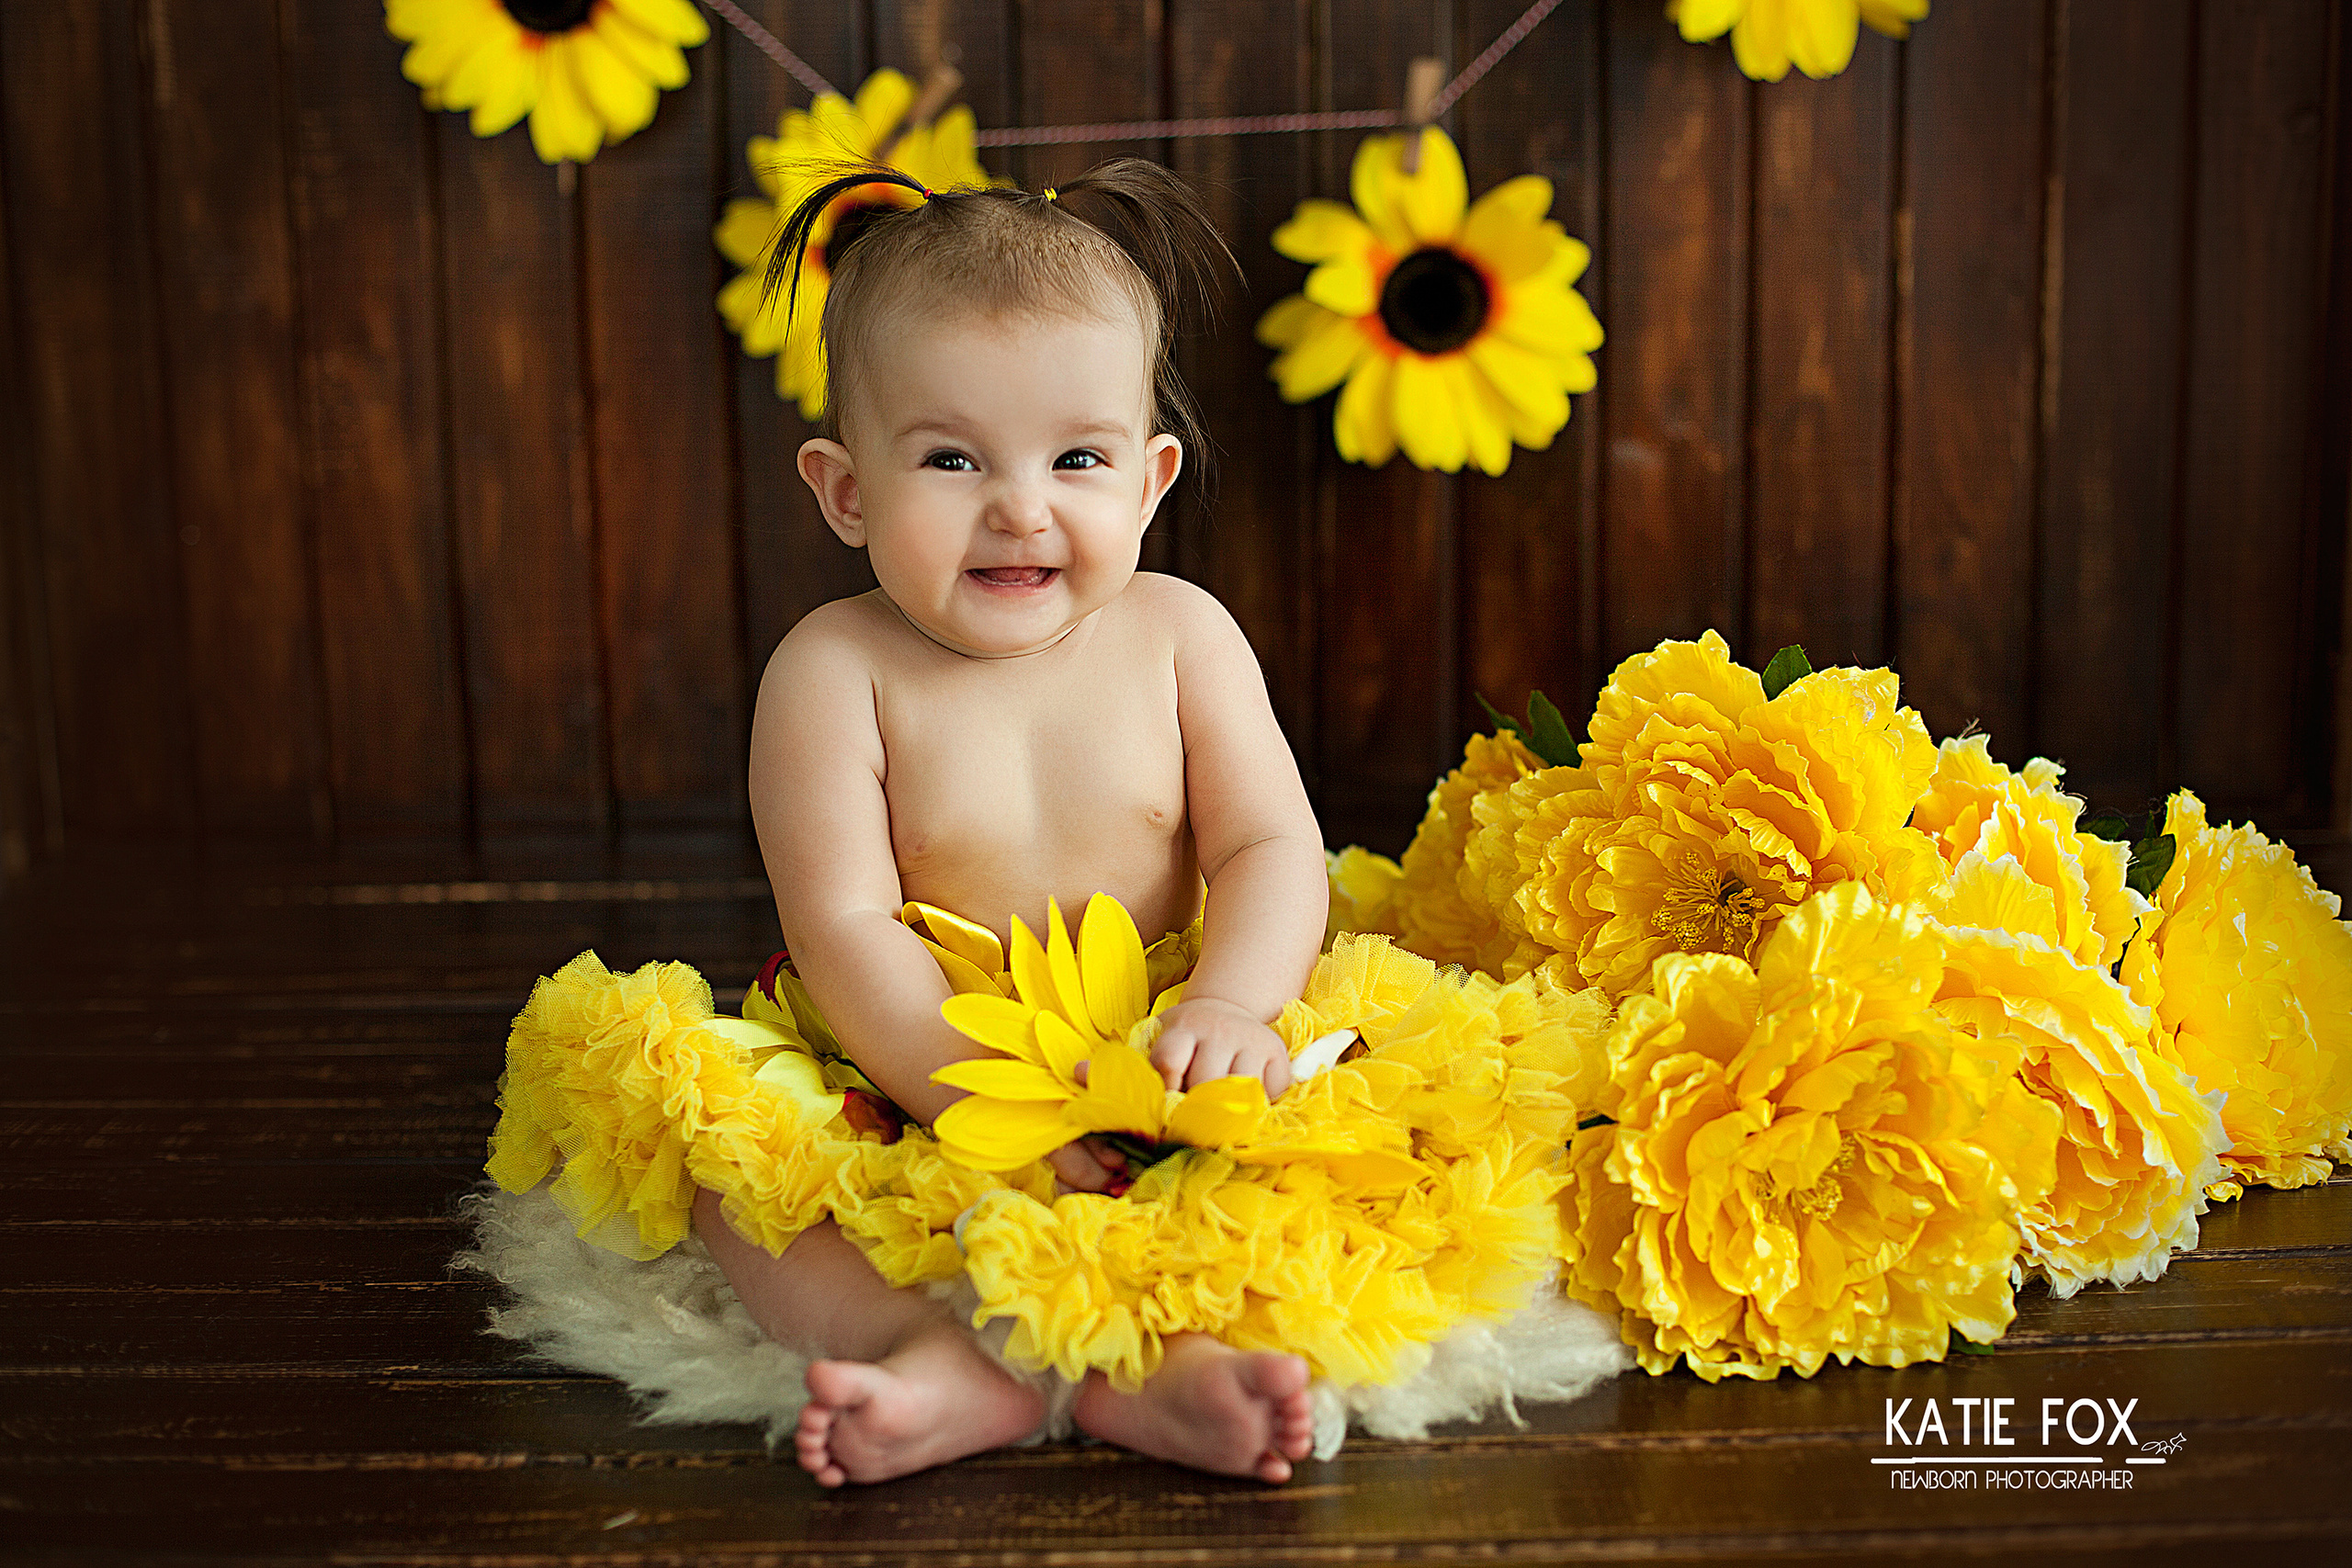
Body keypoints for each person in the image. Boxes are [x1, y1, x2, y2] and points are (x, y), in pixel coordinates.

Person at [720, 161, 1329, 1488]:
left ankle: (1162, 1368)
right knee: (731, 1182)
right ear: (846, 491)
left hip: (1156, 1036)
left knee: (1316, 1156)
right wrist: (975, 1106)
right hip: (911, 1053)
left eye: (1077, 458)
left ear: (1151, 477)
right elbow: (840, 923)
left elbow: (1272, 849)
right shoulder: (831, 674)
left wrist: (1232, 1008)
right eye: (950, 457)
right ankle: (933, 1355)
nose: (1020, 505)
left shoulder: (1183, 639)